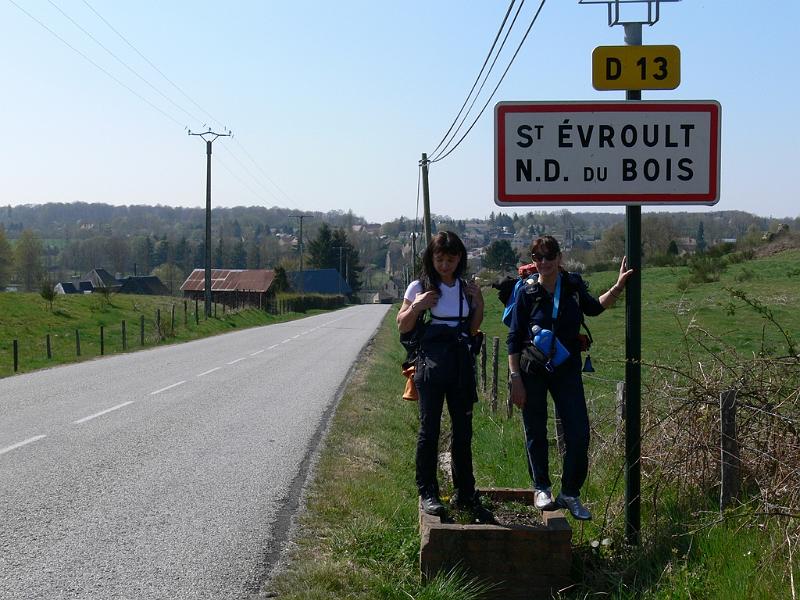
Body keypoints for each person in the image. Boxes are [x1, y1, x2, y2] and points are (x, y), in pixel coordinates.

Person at [507, 235, 633, 520]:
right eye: (538, 257)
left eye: (549, 256)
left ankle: (570, 492)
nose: (544, 262)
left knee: (579, 433)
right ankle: (541, 488)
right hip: (532, 371)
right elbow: (513, 338)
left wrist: (618, 286)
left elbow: (594, 308)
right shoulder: (526, 293)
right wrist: (515, 377)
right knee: (536, 431)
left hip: (566, 370)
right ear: (533, 260)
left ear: (559, 258)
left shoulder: (573, 287)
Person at [397, 231, 490, 521]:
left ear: (459, 258)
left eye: (450, 259)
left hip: (461, 366)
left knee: (463, 432)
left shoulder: (465, 288)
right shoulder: (419, 286)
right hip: (431, 367)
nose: (445, 265)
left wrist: (480, 304)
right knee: (429, 431)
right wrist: (417, 305)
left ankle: (466, 492)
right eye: (440, 259)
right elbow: (402, 325)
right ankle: (428, 493)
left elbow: (472, 328)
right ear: (431, 258)